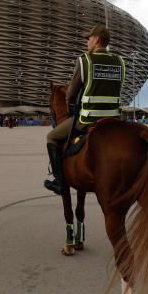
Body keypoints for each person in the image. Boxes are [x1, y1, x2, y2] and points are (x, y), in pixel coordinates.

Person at [44, 24, 125, 195]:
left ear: (96, 39)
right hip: (115, 121)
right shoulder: (120, 62)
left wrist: (70, 110)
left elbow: (70, 94)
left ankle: (59, 181)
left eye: (89, 38)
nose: (87, 42)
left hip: (88, 119)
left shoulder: (85, 60)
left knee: (51, 137)